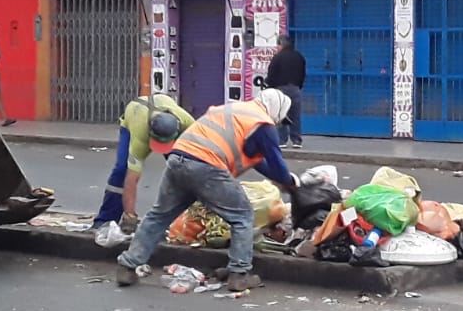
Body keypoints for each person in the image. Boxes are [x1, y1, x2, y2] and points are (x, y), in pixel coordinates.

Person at [115, 89, 298, 291]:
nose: (279, 124)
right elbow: (277, 165)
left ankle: (127, 266)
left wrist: (281, 178)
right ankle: (239, 274)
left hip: (178, 158)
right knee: (242, 216)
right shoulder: (263, 124)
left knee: (159, 215)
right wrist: (291, 183)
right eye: (281, 119)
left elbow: (260, 162)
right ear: (276, 110)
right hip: (206, 165)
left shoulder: (235, 110)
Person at [92, 93, 197, 241]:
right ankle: (105, 220)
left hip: (163, 107)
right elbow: (132, 179)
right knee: (121, 170)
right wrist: (130, 216)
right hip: (133, 116)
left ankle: (183, 222)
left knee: (183, 169)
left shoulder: (188, 123)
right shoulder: (140, 135)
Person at [265, 35, 306, 148]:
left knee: (281, 114)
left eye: (278, 45)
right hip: (295, 88)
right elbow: (303, 73)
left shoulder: (277, 57)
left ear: (281, 45)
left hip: (281, 89)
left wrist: (270, 86)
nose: (277, 47)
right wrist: (299, 85)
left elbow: (271, 74)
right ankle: (296, 140)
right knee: (295, 115)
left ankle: (282, 140)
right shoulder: (299, 57)